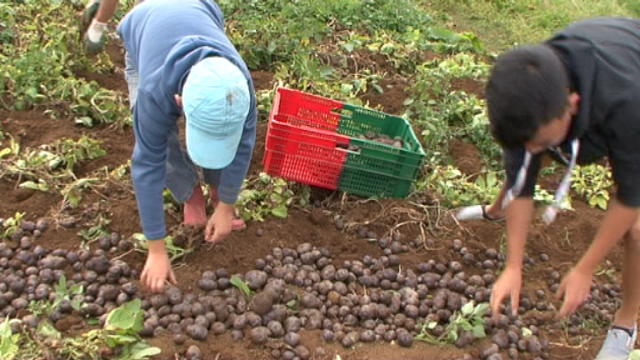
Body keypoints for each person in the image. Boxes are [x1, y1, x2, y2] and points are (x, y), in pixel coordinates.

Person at [456, 17, 640, 359]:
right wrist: (513, 266)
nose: (531, 149)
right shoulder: (525, 96)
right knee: (526, 154)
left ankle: (626, 323)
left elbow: (629, 197)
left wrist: (585, 269)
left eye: (540, 141)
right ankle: (496, 210)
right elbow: (522, 173)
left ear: (571, 105)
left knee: (637, 230)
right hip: (604, 58)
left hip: (630, 91)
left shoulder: (627, 105)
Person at [117, 0, 256, 293]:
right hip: (142, 33)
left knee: (219, 122)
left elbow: (242, 144)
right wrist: (156, 249)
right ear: (179, 103)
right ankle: (189, 192)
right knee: (159, 140)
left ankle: (216, 196)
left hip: (200, 9)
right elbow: (147, 165)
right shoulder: (154, 93)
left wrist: (227, 204)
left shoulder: (238, 88)